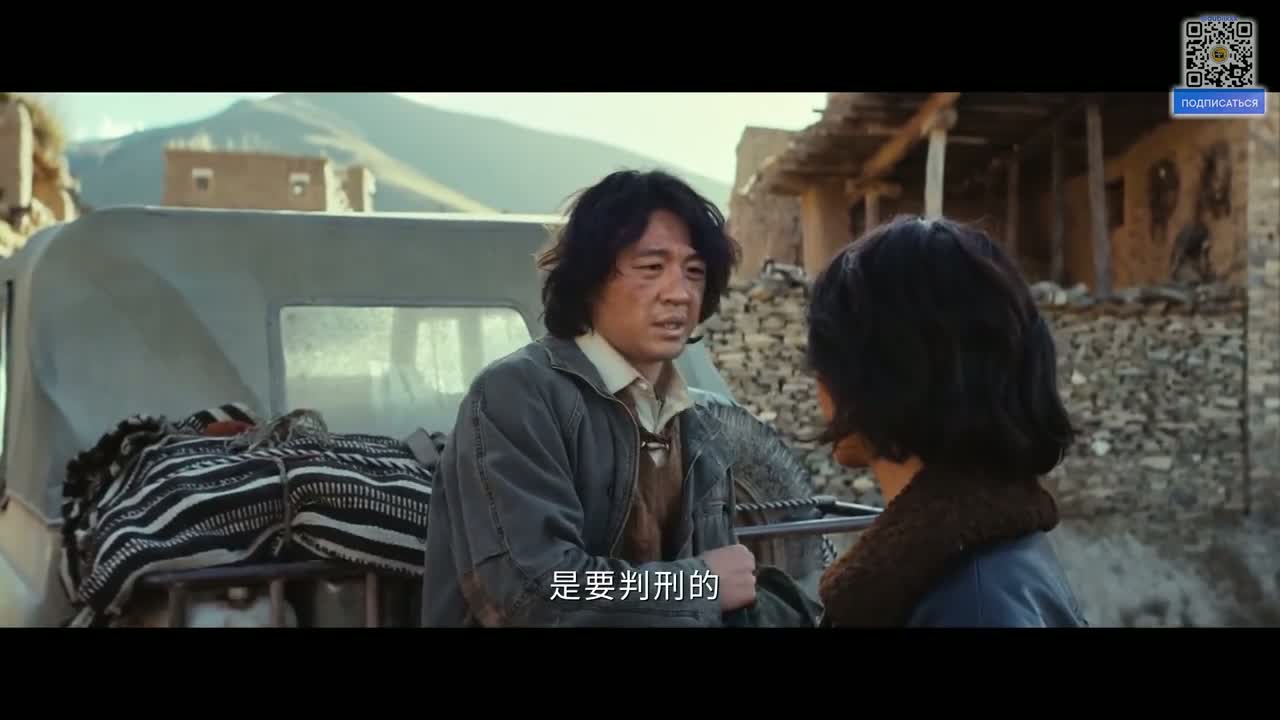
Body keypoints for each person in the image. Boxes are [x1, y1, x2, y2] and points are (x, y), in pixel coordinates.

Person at [420, 169, 820, 627]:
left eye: (694, 272)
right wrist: (698, 585)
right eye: (652, 268)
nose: (679, 293)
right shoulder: (516, 397)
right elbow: (536, 591)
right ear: (590, 279)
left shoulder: (697, 425)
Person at [807, 215, 1088, 627]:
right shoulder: (977, 568)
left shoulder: (972, 605)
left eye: (824, 359)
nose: (817, 381)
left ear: (877, 375)